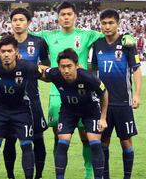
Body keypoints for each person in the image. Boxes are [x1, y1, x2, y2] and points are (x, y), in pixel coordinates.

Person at [32, 1, 135, 179]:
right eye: (62, 15)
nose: (66, 18)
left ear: (75, 16)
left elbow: (109, 32)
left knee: (86, 135)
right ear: (57, 18)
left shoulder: (87, 34)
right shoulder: (48, 35)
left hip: (84, 91)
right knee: (59, 134)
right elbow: (24, 34)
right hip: (59, 91)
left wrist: (127, 36)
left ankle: (89, 172)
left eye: (69, 14)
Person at [0, 35, 46, 179]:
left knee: (26, 145)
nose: (6, 54)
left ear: (16, 52)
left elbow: (46, 74)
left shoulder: (27, 66)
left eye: (9, 51)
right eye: (3, 51)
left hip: (21, 110)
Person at [42, 48, 109, 179]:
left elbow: (104, 93)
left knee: (94, 143)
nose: (66, 70)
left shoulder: (89, 77)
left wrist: (103, 117)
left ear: (77, 65)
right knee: (62, 143)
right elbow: (38, 71)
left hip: (90, 110)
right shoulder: (55, 74)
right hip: (68, 110)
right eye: (63, 67)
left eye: (69, 66)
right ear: (58, 67)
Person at [91, 9, 142, 179]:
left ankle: (127, 177)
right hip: (103, 104)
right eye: (104, 23)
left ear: (117, 23)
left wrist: (137, 95)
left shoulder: (127, 44)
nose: (107, 26)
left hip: (122, 102)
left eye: (111, 23)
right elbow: (94, 72)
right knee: (103, 142)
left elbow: (136, 70)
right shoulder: (97, 44)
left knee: (126, 141)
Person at [3, 7, 49, 179]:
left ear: (28, 22)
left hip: (32, 98)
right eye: (14, 20)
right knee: (10, 139)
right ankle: (10, 175)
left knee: (38, 138)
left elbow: (46, 68)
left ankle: (38, 176)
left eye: (21, 20)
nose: (17, 23)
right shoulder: (4, 42)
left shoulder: (38, 42)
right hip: (9, 101)